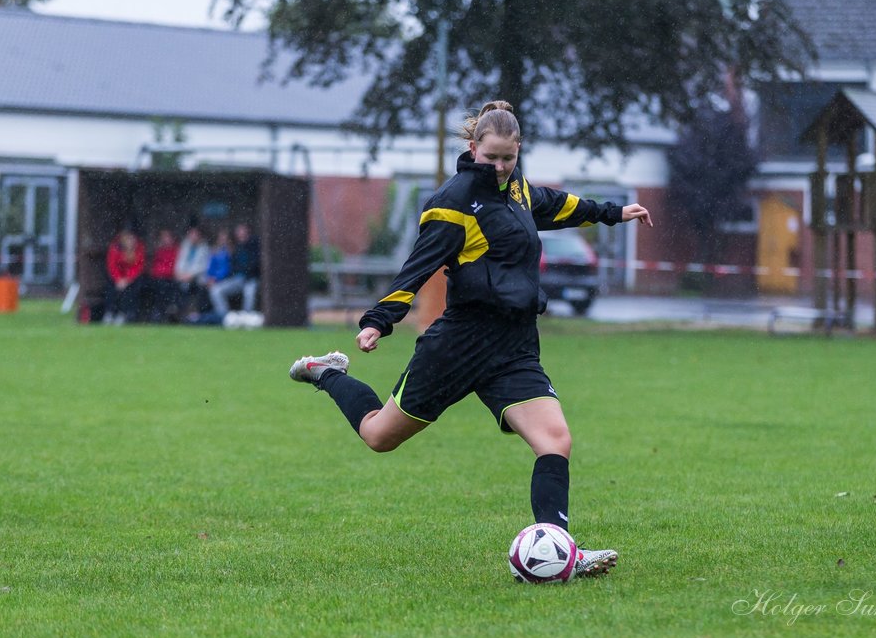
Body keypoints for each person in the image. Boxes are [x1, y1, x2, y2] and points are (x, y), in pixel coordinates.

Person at [288, 100, 653, 578]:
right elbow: (419, 267)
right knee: (379, 436)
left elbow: (556, 205)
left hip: (514, 346)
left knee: (555, 440)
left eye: (509, 158)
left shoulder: (517, 188)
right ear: (473, 146)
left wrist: (613, 212)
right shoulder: (452, 201)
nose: (500, 168)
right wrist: (379, 319)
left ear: (518, 151)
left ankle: (559, 549)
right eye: (492, 157)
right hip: (460, 344)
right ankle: (326, 373)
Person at [210, 222, 261, 315]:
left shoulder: (255, 245)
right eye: (239, 231)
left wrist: (246, 273)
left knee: (249, 292)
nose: (241, 234)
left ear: (248, 231)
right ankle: (225, 318)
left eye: (243, 231)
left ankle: (247, 319)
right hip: (237, 280)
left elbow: (255, 265)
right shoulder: (235, 248)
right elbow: (231, 268)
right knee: (216, 290)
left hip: (251, 279)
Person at [104, 229, 146, 324]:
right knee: (111, 289)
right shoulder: (115, 248)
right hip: (116, 278)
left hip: (131, 279)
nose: (130, 240)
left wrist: (127, 279)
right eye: (127, 238)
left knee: (131, 290)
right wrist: (118, 279)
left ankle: (123, 314)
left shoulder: (139, 248)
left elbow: (138, 266)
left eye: (132, 238)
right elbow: (112, 265)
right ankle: (110, 313)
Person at [173, 226, 211, 316]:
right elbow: (179, 262)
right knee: (173, 287)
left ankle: (195, 314)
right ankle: (177, 312)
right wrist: (180, 274)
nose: (193, 237)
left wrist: (190, 275)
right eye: (191, 234)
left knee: (198, 289)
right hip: (183, 277)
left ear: (199, 236)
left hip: (198, 278)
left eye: (195, 235)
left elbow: (203, 266)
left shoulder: (205, 248)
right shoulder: (185, 246)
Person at [146, 228, 181, 322]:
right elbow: (154, 267)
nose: (165, 239)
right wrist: (159, 273)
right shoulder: (159, 251)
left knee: (167, 286)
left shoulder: (176, 250)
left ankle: (168, 311)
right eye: (163, 237)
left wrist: (163, 273)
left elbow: (174, 267)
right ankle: (160, 311)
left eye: (167, 237)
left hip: (171, 278)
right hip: (159, 278)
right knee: (155, 285)